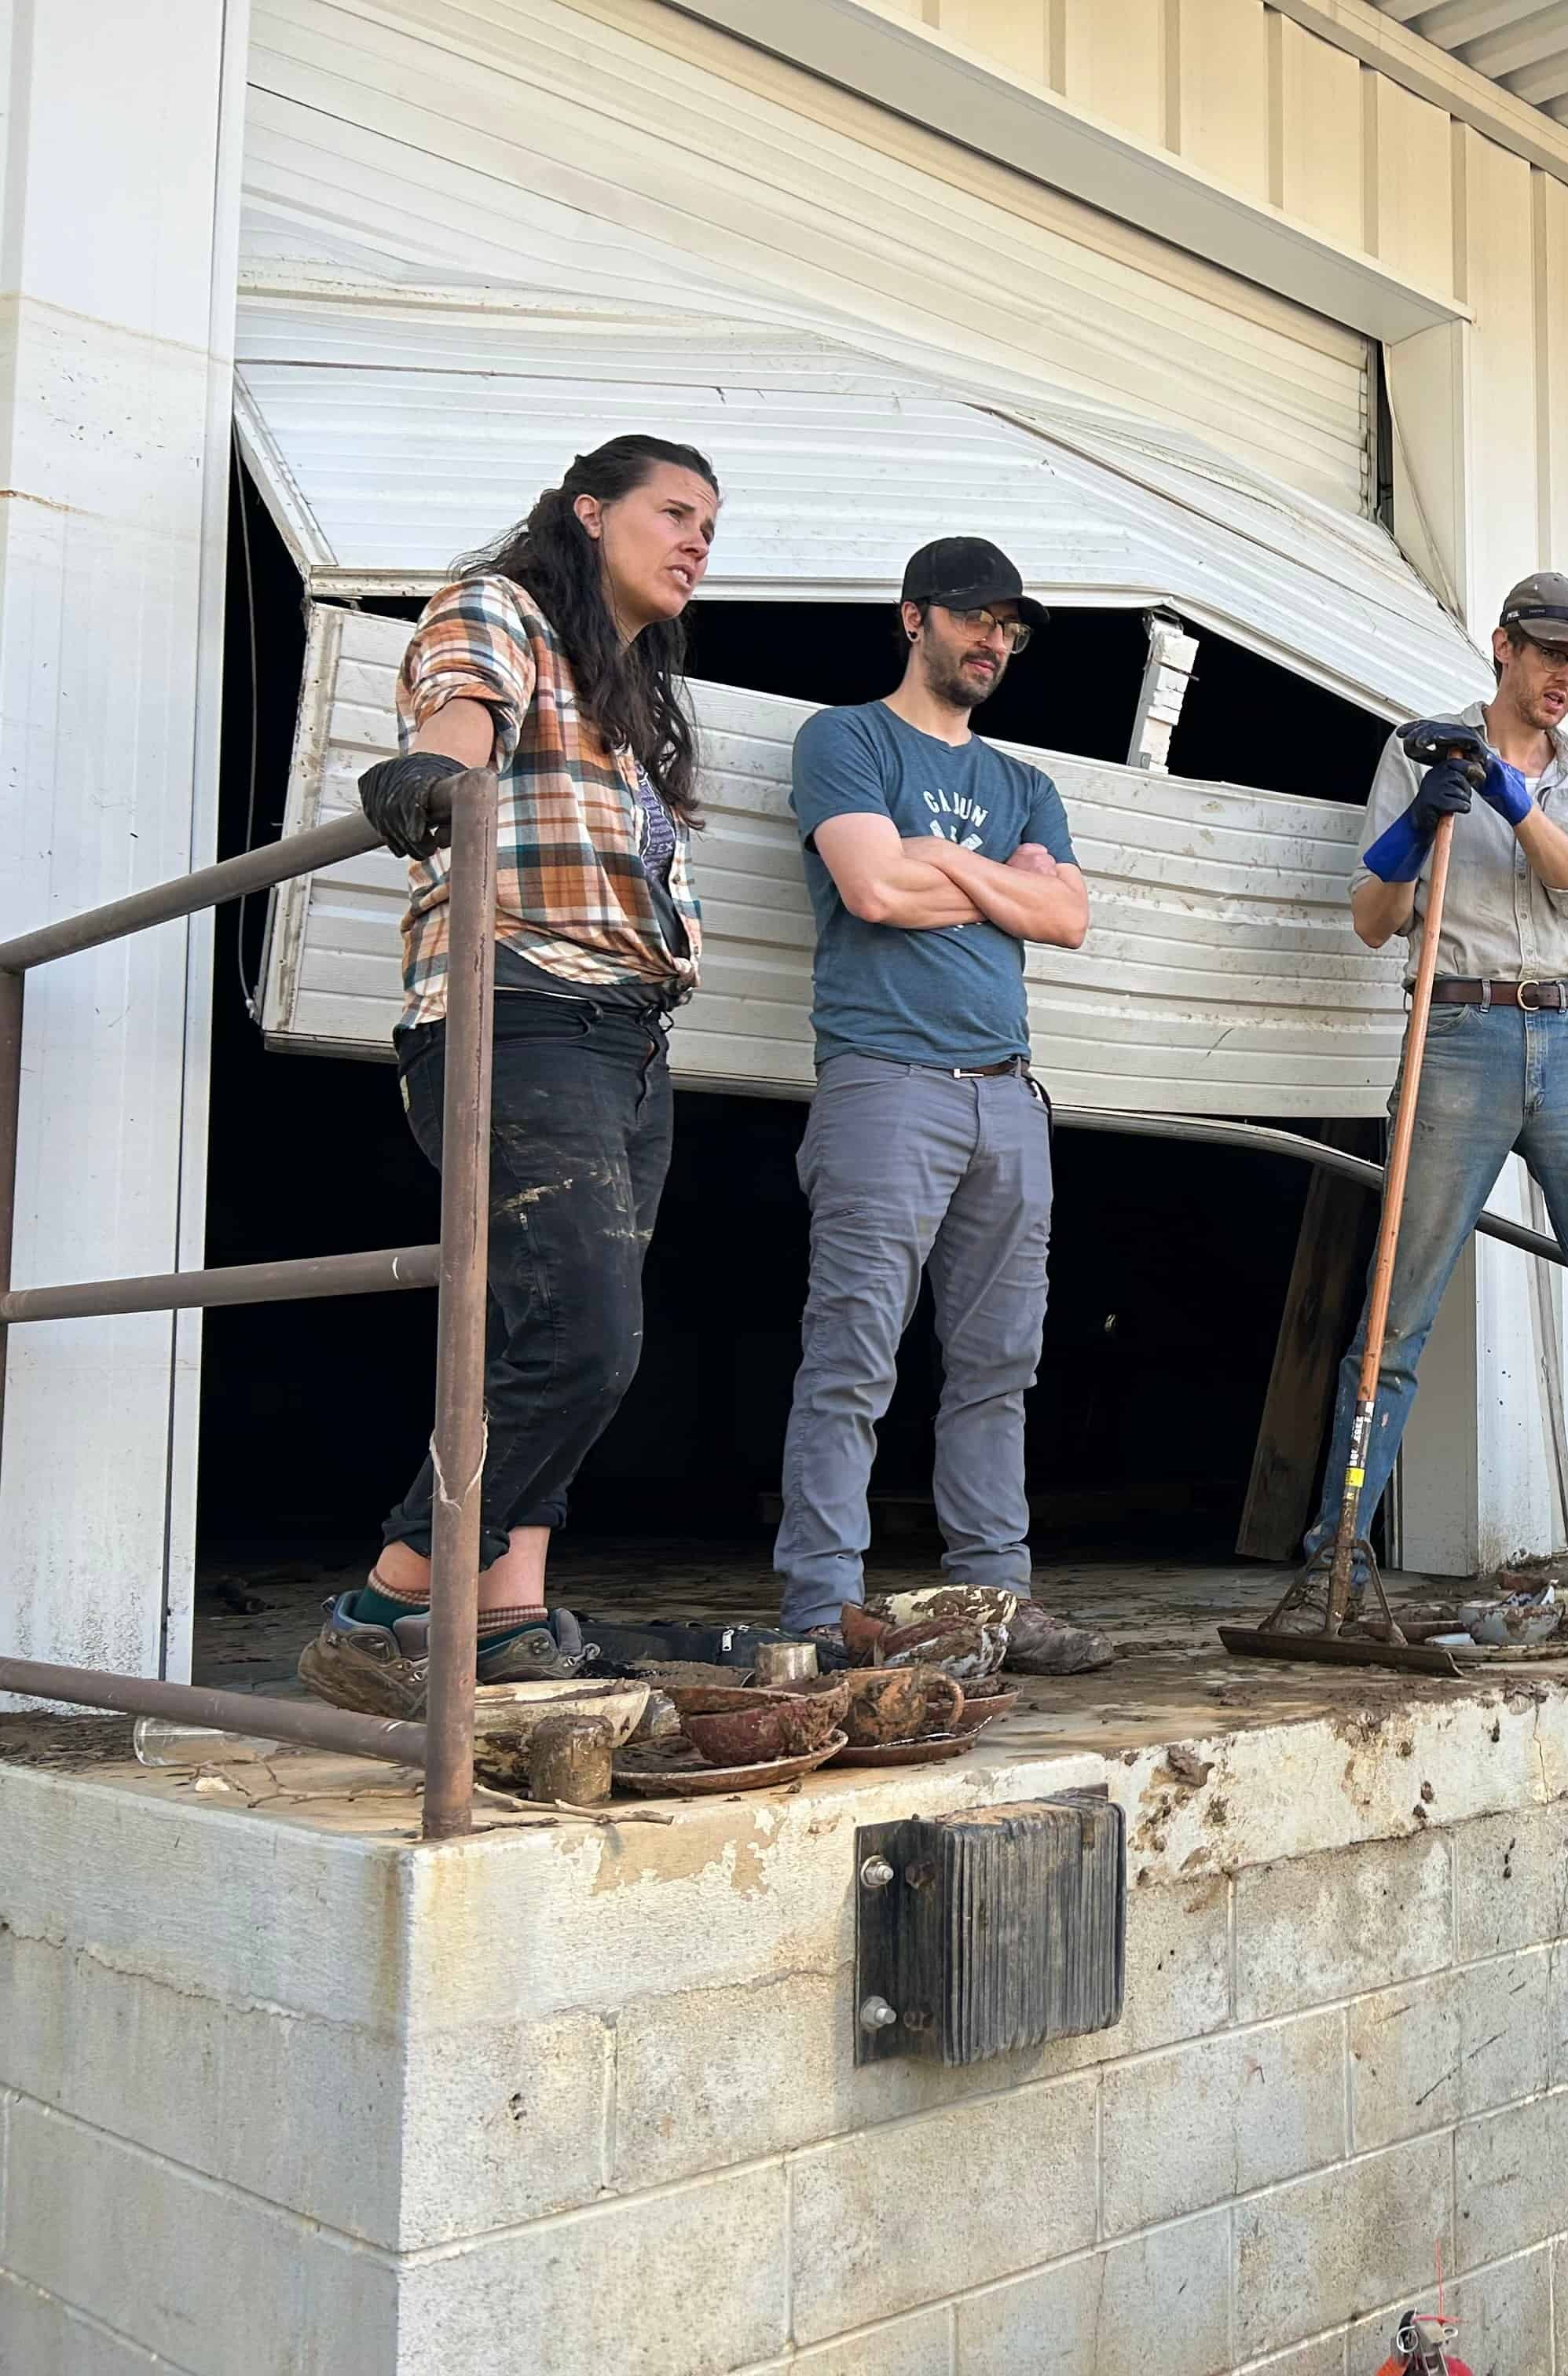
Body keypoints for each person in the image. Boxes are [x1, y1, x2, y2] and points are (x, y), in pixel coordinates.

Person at [300, 435, 723, 1714]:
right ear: (588, 511)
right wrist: (436, 775)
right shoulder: (502, 609)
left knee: (544, 1332)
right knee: (586, 1333)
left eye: (714, 521)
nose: (699, 538)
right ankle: (385, 1606)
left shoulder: (633, 696)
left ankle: (505, 1617)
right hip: (519, 1006)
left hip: (624, 1032)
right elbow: (460, 726)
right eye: (675, 510)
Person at [1288, 573, 1568, 1609]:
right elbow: (1374, 919)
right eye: (1549, 654)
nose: (1565, 678)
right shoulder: (1415, 755)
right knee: (1397, 1310)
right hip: (1458, 1029)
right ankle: (1341, 1546)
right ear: (1503, 647)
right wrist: (1420, 821)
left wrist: (1509, 798)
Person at [771, 538, 1091, 1640]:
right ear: (917, 620)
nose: (994, 641)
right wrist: (1002, 884)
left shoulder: (1026, 782)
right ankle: (823, 1606)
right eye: (975, 619)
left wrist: (943, 863)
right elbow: (868, 887)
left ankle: (995, 1597)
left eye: (1010, 627)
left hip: (1007, 1096)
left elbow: (1068, 920)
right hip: (885, 1083)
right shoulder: (844, 738)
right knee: (854, 1352)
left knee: (1002, 1359)